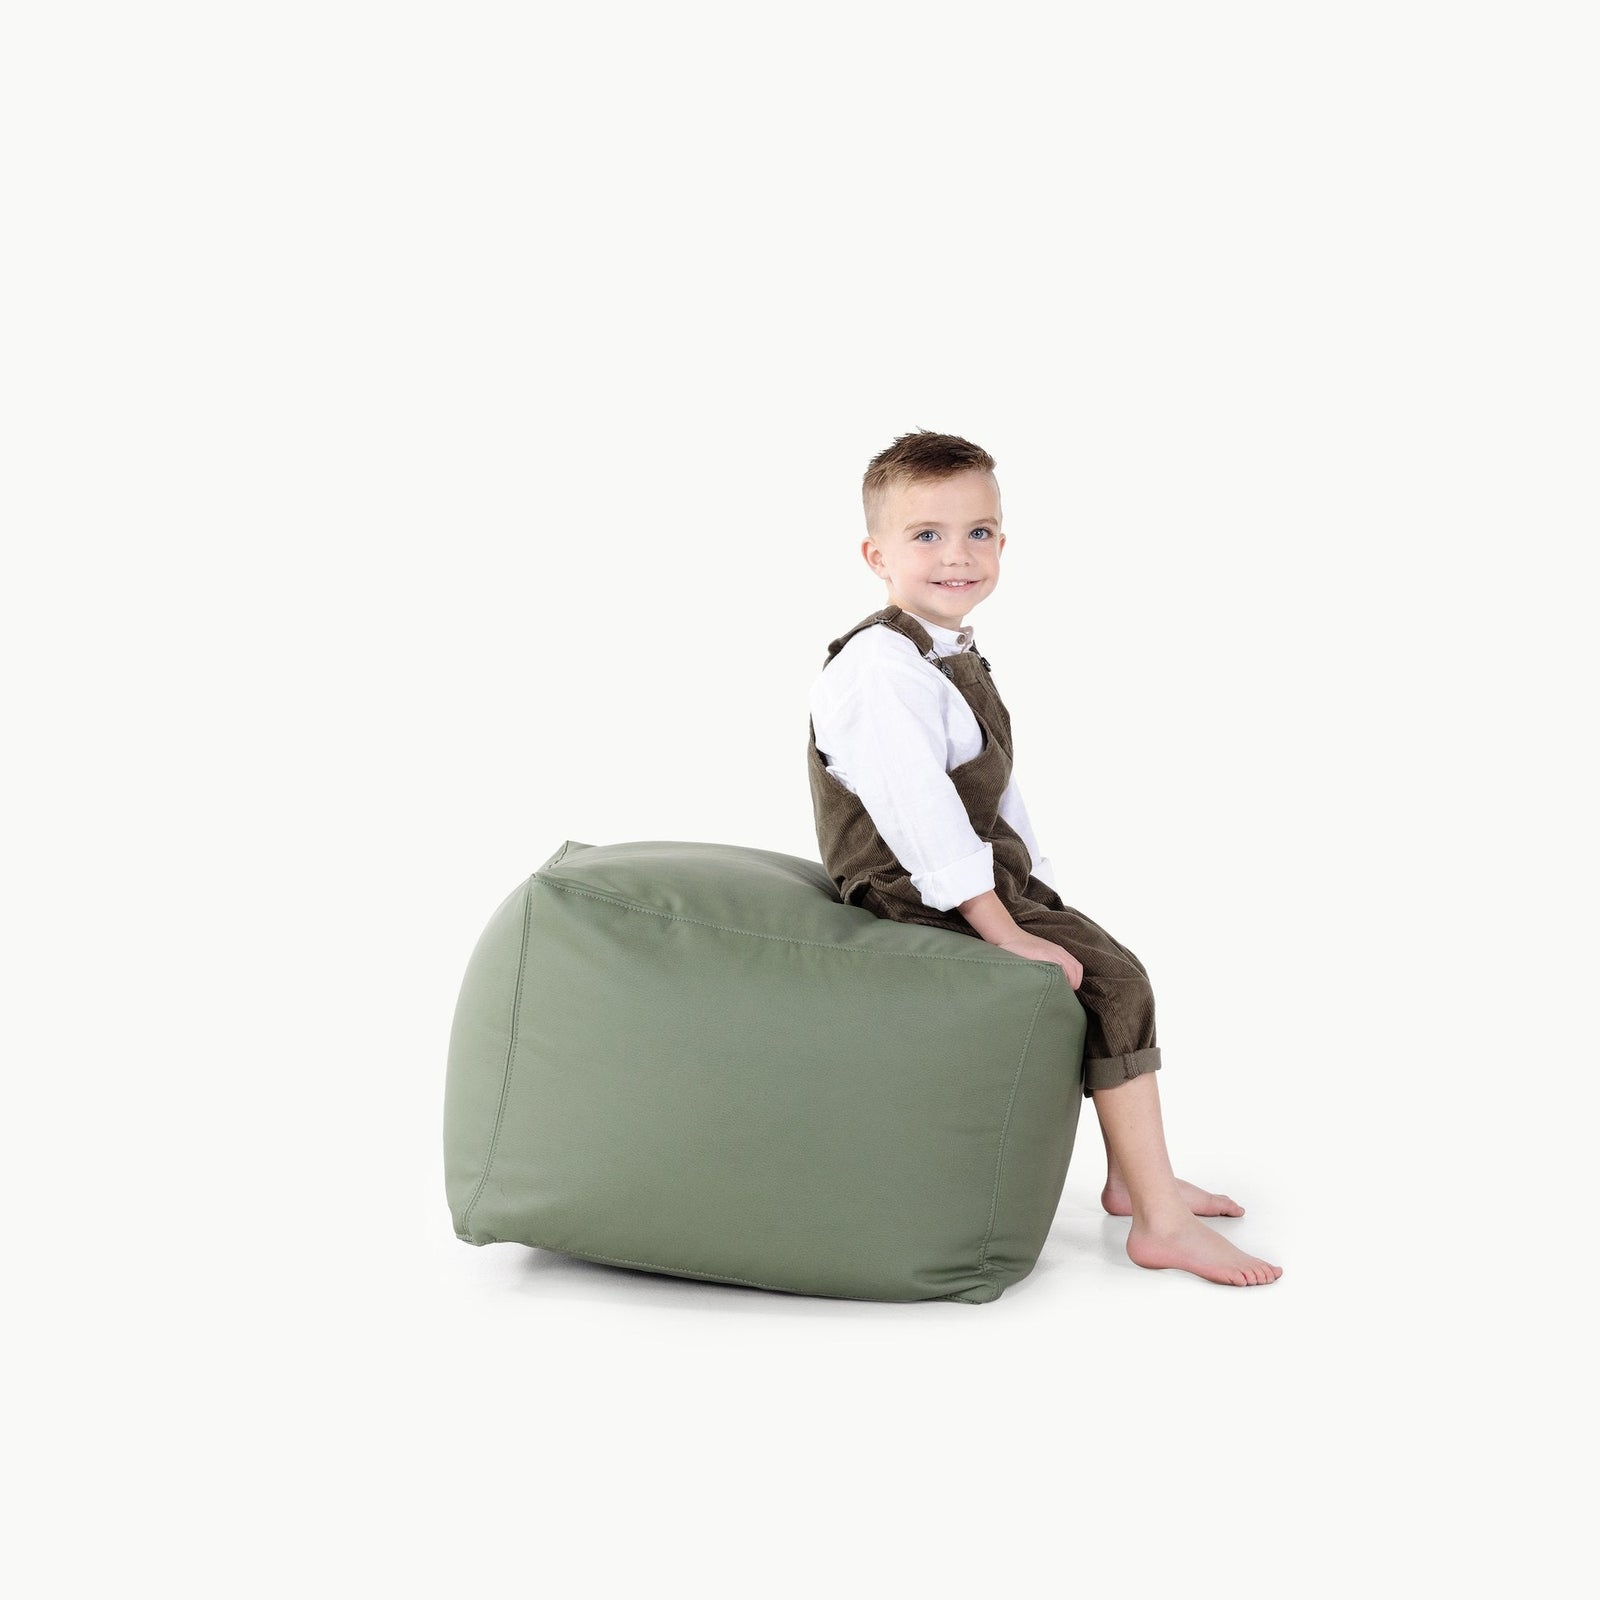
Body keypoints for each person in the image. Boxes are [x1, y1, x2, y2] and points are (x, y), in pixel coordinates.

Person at [807, 430, 1282, 1288]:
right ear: (876, 554)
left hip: (971, 875)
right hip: (906, 886)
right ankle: (1160, 1222)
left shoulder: (950, 650)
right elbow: (922, 820)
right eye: (927, 535)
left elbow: (994, 797)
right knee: (1114, 981)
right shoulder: (880, 665)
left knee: (1113, 969)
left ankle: (1133, 1179)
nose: (958, 555)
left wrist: (1039, 893)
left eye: (979, 532)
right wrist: (1003, 927)